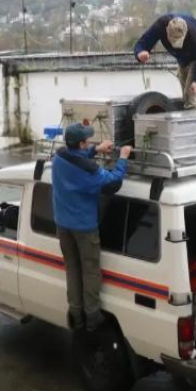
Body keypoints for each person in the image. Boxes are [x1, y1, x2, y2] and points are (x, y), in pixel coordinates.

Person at [52, 123, 132, 331]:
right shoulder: (88, 170)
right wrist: (123, 157)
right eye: (87, 141)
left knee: (72, 269)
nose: (89, 142)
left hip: (62, 225)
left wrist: (95, 150)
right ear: (81, 143)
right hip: (84, 228)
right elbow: (113, 183)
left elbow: (75, 156)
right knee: (90, 271)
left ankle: (76, 315)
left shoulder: (59, 157)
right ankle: (93, 318)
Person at [134, 13, 196, 109]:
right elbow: (143, 42)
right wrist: (141, 52)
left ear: (185, 33)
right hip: (182, 59)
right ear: (166, 30)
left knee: (191, 96)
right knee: (185, 96)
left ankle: (194, 113)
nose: (175, 45)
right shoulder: (161, 25)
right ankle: (195, 108)